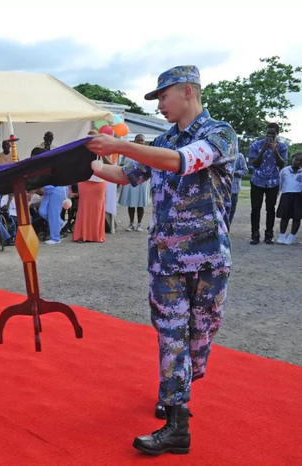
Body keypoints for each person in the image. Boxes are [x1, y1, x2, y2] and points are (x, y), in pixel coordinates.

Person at [87, 65, 237, 455]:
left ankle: (180, 385)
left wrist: (121, 146)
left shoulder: (219, 134)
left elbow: (181, 161)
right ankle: (176, 420)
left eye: (163, 97)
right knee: (171, 335)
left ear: (187, 91)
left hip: (207, 257)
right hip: (166, 259)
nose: (159, 106)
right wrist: (88, 163)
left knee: (199, 338)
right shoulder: (163, 140)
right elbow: (127, 175)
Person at [249, 123, 288, 244]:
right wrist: (263, 150)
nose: (270, 136)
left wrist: (275, 151)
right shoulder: (256, 145)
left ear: (277, 133)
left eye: (273, 133)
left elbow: (282, 165)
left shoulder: (282, 147)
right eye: (268, 133)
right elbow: (254, 164)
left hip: (273, 182)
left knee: (270, 209)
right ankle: (255, 235)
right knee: (255, 208)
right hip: (257, 181)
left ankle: (269, 235)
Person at [73, 131, 108, 243]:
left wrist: (102, 153)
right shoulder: (81, 151)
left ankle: (96, 235)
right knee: (84, 207)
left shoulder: (102, 150)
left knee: (98, 208)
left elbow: (110, 164)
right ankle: (83, 235)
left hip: (99, 183)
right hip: (85, 181)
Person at [119, 134, 150, 231]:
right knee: (131, 202)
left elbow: (149, 166)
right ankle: (131, 223)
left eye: (142, 140)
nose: (140, 142)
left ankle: (139, 224)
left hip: (142, 181)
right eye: (138, 140)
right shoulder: (128, 151)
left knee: (140, 203)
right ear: (134, 141)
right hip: (130, 180)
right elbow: (122, 165)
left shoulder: (147, 152)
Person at [275, 153, 302, 245]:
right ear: (292, 159)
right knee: (284, 216)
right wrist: (278, 193)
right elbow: (280, 183)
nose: (298, 162)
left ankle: (291, 236)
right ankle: (282, 235)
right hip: (286, 195)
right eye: (296, 159)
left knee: (297, 217)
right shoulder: (285, 170)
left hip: (298, 196)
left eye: (300, 160)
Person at [230, 151, 249, 224]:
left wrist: (232, 172)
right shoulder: (221, 154)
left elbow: (245, 171)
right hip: (221, 190)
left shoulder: (239, 156)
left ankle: (227, 229)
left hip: (234, 189)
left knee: (231, 211)